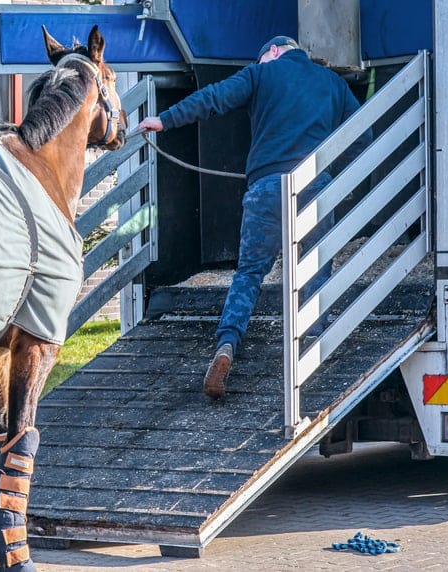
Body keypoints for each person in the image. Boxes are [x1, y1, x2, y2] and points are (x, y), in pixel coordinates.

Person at [139, 35, 368, 400]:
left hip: (265, 189)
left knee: (249, 273)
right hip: (314, 186)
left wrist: (164, 120)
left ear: (273, 52)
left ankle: (227, 345)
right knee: (316, 267)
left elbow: (213, 98)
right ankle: (313, 350)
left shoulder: (261, 75)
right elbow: (362, 135)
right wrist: (330, 173)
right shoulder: (333, 83)